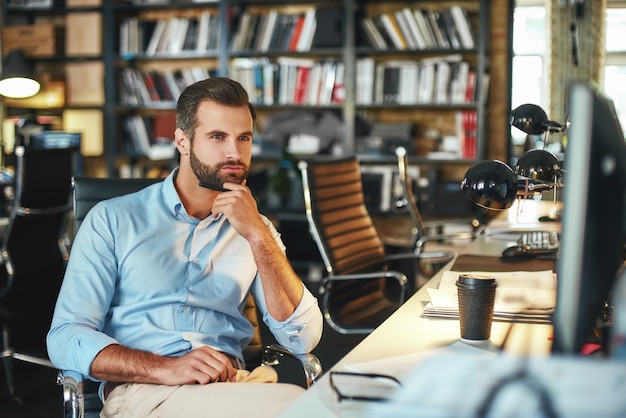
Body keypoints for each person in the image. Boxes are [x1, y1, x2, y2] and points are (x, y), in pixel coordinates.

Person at [47, 77, 324, 417]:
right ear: (183, 141)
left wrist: (258, 236)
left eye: (244, 138)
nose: (235, 153)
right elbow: (65, 337)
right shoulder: (113, 220)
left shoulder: (254, 228)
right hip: (146, 392)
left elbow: (303, 339)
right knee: (299, 408)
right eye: (217, 137)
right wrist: (167, 368)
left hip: (232, 387)